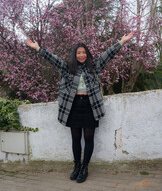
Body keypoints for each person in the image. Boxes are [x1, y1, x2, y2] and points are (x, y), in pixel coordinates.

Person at [26, 32, 133, 183]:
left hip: (90, 106)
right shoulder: (67, 67)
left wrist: (122, 41)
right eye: (78, 53)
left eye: (84, 52)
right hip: (73, 106)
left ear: (87, 54)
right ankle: (76, 166)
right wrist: (38, 48)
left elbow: (108, 54)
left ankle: (84, 167)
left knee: (89, 138)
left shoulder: (94, 66)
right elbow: (53, 59)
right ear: (74, 54)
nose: (81, 55)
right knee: (75, 138)